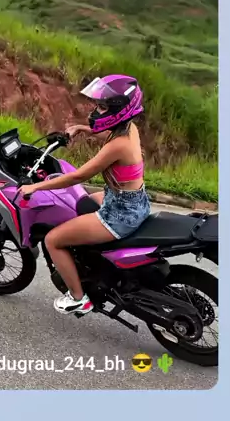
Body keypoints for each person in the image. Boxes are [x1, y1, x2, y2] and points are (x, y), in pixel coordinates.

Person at [19, 75, 152, 315]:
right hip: (133, 201)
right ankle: (93, 263)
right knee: (82, 204)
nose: (96, 111)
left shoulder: (118, 146)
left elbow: (77, 176)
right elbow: (105, 131)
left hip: (120, 213)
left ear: (119, 110)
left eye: (102, 107)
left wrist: (35, 188)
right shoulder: (129, 129)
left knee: (53, 240)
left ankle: (79, 298)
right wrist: (82, 129)